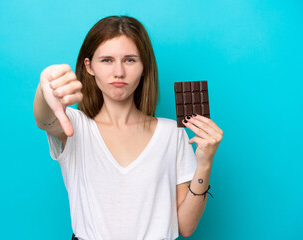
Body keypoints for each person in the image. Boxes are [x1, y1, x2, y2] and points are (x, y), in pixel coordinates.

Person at [33, 16, 223, 240]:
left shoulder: (172, 133)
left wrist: (205, 163)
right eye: (106, 60)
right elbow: (45, 119)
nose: (119, 72)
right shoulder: (75, 126)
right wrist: (44, 88)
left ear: (144, 67)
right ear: (89, 66)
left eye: (130, 60)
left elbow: (186, 227)